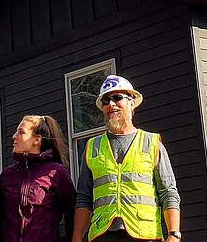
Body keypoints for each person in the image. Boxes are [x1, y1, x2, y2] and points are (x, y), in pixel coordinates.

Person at [71, 75, 181, 242]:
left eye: (117, 98)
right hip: (103, 236)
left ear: (132, 104)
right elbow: (84, 198)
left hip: (145, 235)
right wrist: (77, 237)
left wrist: (173, 234)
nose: (111, 104)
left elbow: (168, 192)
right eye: (106, 101)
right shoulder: (92, 147)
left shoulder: (151, 143)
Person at [0, 115, 76, 242]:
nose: (14, 136)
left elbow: (72, 214)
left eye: (21, 132)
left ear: (37, 139)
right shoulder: (7, 175)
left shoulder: (56, 172)